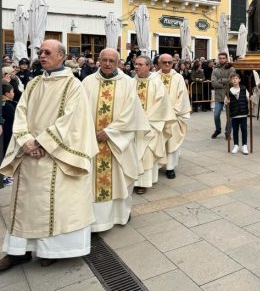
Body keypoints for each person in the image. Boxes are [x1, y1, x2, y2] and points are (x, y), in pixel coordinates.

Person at [0, 40, 99, 270]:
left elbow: (72, 120)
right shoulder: (34, 83)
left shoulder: (73, 85)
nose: (42, 56)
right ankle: (18, 251)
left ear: (61, 57)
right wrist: (25, 141)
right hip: (28, 155)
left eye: (47, 52)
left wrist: (42, 142)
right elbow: (21, 113)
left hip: (55, 156)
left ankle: (51, 250)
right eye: (40, 52)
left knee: (55, 204)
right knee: (23, 203)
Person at [82, 48, 150, 232]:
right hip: (93, 141)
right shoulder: (88, 82)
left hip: (119, 143)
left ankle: (120, 215)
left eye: (112, 60)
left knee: (120, 179)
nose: (107, 63)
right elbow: (79, 111)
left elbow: (132, 113)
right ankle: (96, 222)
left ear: (118, 62)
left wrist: (110, 132)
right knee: (92, 182)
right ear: (98, 60)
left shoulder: (127, 83)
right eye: (104, 59)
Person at [133, 56, 175, 194]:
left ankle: (143, 183)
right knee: (134, 153)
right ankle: (133, 180)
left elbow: (162, 104)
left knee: (147, 153)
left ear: (149, 66)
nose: (136, 67)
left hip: (151, 124)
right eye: (135, 64)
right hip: (133, 125)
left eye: (140, 64)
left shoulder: (157, 83)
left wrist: (146, 119)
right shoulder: (131, 82)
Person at [158, 54, 191, 179]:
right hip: (158, 116)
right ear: (159, 63)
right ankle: (158, 164)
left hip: (173, 116)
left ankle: (170, 168)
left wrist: (173, 111)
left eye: (169, 62)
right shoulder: (154, 77)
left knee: (172, 141)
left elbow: (182, 96)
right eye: (164, 62)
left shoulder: (178, 78)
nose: (167, 64)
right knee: (158, 141)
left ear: (173, 63)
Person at [210, 52, 235, 139]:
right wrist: (225, 83)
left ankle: (228, 132)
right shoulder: (215, 70)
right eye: (220, 58)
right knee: (216, 115)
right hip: (218, 96)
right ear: (218, 59)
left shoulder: (231, 69)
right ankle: (218, 129)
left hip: (229, 96)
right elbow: (213, 83)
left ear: (226, 59)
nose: (222, 59)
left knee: (229, 116)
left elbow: (232, 81)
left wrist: (220, 80)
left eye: (223, 58)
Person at [225, 73, 249, 155]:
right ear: (231, 81)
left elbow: (248, 98)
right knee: (235, 130)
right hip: (234, 114)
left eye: (236, 78)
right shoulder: (229, 91)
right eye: (233, 79)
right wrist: (226, 102)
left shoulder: (244, 89)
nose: (234, 80)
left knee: (244, 129)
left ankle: (244, 145)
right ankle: (236, 145)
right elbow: (226, 101)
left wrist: (251, 99)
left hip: (243, 113)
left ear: (239, 80)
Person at [1, 82, 16, 185]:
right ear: (7, 93)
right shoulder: (8, 105)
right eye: (12, 91)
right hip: (8, 133)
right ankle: (6, 177)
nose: (13, 93)